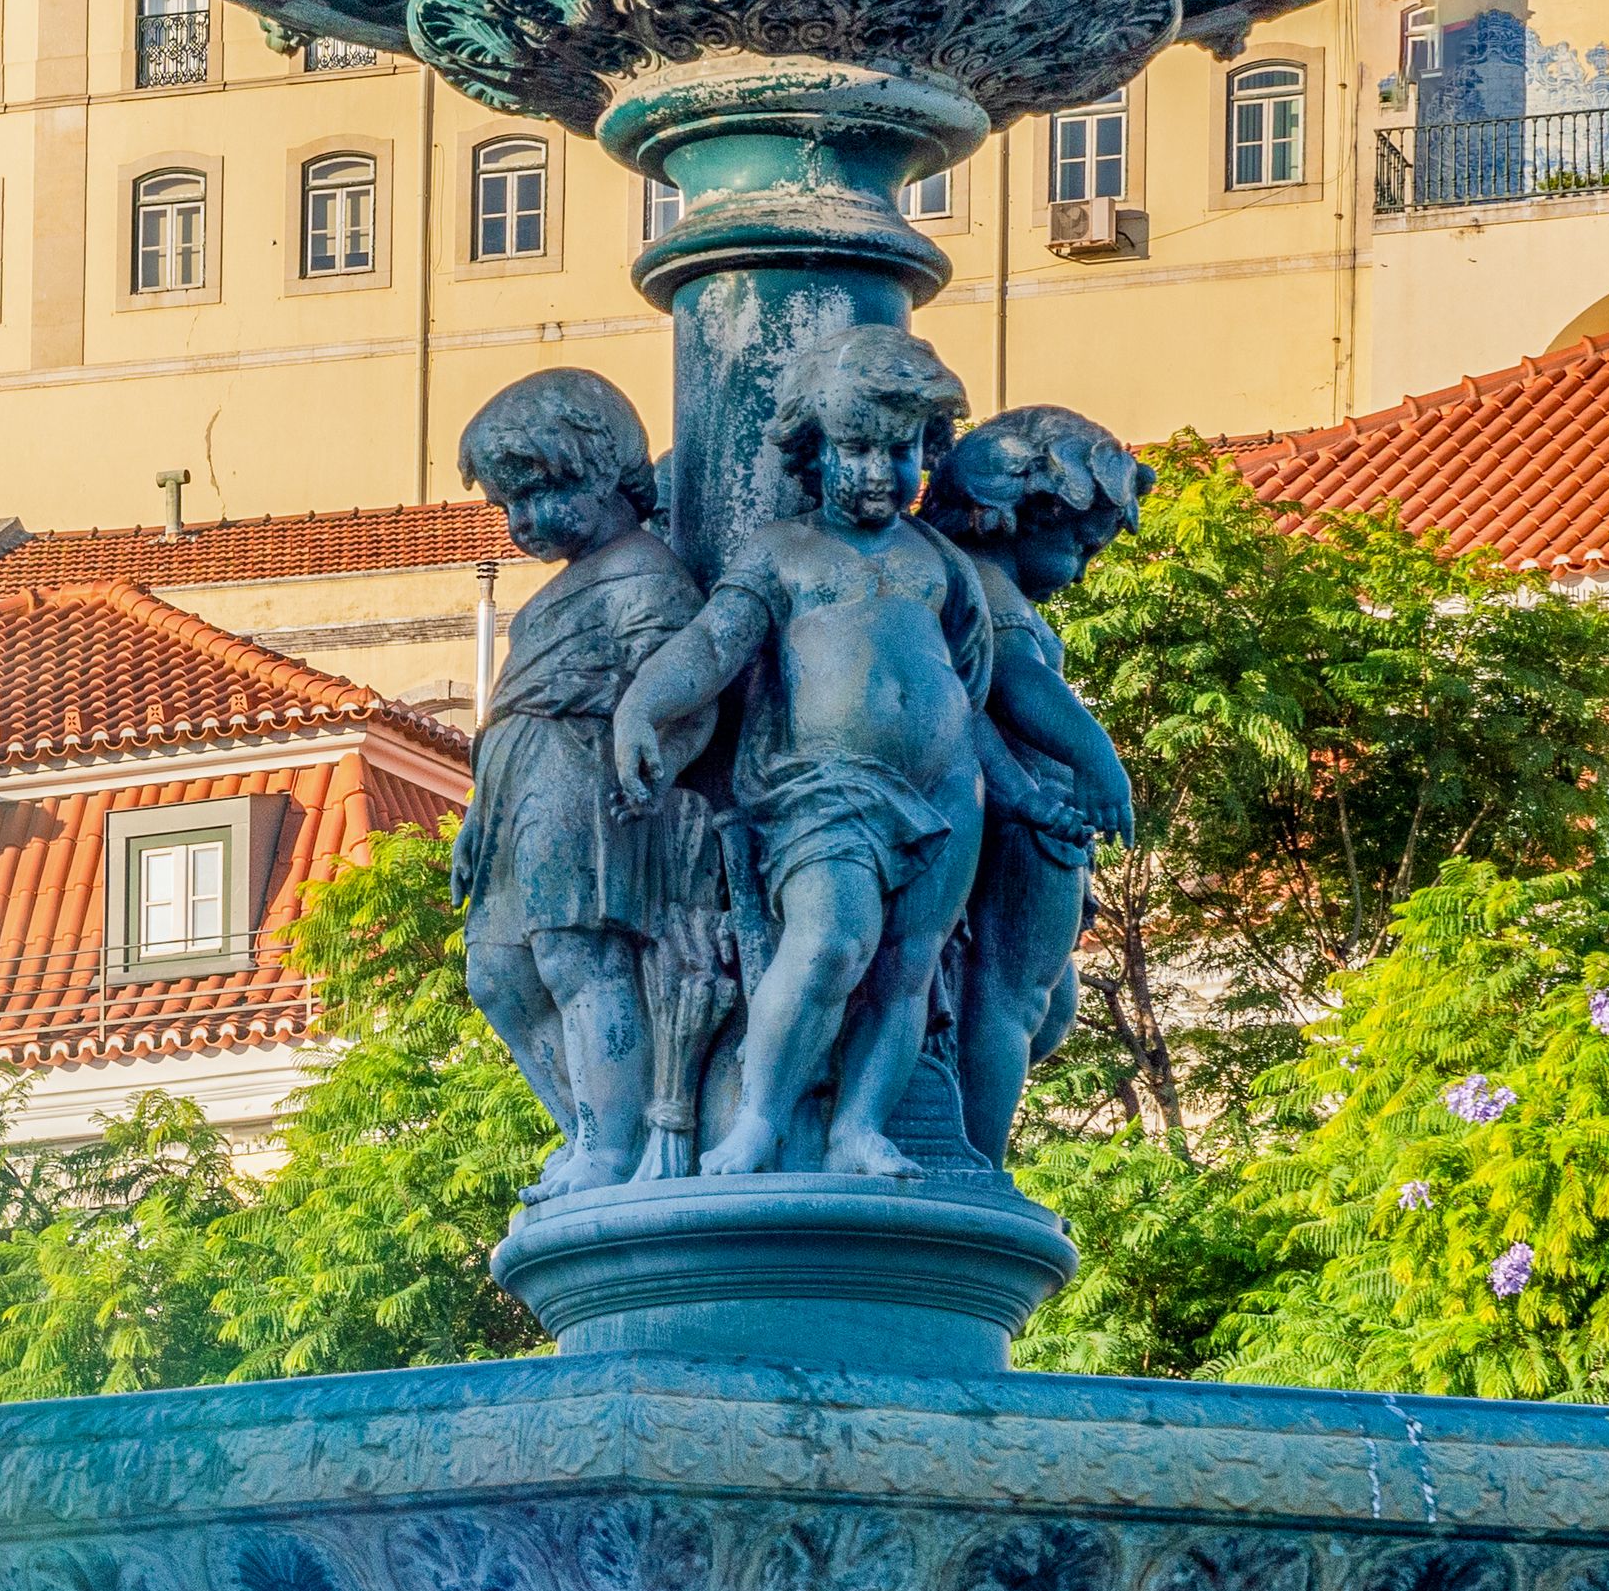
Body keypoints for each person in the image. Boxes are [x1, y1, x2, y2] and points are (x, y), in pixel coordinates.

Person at [614, 327, 996, 1179]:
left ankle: (859, 1126)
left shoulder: (936, 558)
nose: (874, 471)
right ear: (812, 451)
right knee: (828, 943)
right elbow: (713, 646)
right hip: (822, 786)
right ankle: (756, 1120)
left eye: (898, 451)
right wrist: (642, 704)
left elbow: (969, 679)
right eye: (853, 448)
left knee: (906, 966)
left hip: (942, 790)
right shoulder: (782, 551)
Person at [451, 367, 710, 1196]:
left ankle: (611, 1143)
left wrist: (655, 762)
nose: (522, 522)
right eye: (506, 505)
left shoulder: (644, 575)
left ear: (604, 473)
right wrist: (472, 822)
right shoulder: (550, 598)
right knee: (495, 974)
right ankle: (584, 1134)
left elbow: (689, 690)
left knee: (579, 959)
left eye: (537, 495)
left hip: (581, 782)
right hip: (511, 798)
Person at [923, 407, 1146, 1172]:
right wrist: (1098, 760)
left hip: (1022, 806)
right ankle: (976, 1164)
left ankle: (969, 1145)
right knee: (1011, 999)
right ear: (1021, 514)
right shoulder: (985, 583)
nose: (1080, 568)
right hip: (1031, 819)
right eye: (1080, 545)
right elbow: (1017, 685)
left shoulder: (966, 579)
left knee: (1035, 1004)